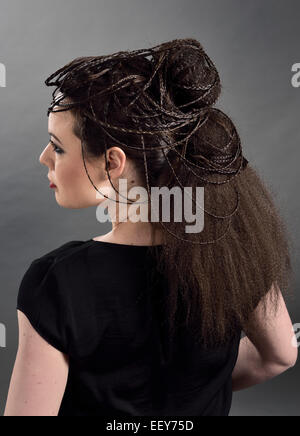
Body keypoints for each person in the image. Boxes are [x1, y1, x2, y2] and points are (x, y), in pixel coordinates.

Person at [4, 38, 297, 416]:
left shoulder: (56, 281)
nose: (44, 157)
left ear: (113, 162)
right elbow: (279, 356)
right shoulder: (234, 255)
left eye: (57, 147)